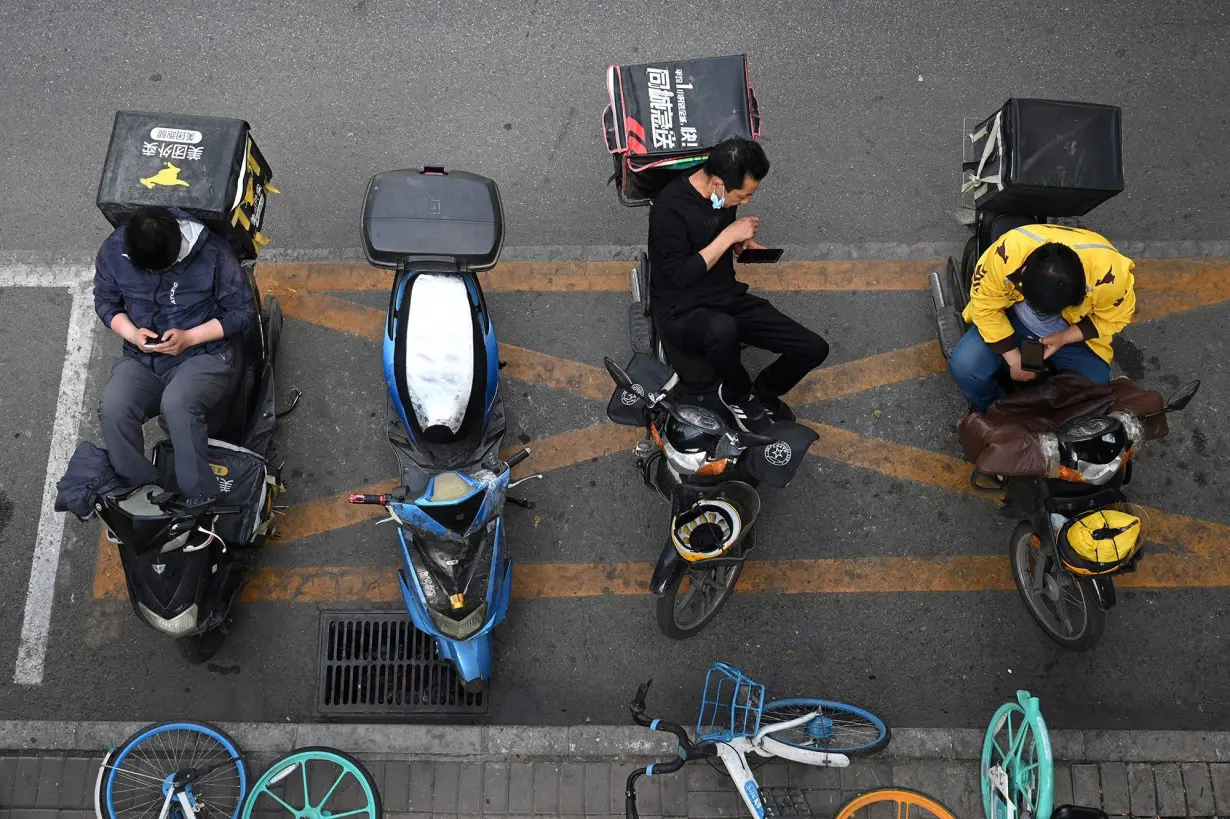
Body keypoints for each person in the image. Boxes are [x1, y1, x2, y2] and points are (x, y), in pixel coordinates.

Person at [647, 138, 829, 433]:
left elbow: (715, 236)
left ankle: (764, 393)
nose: (746, 202)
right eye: (743, 195)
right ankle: (738, 395)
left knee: (813, 348)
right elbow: (680, 275)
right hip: (681, 309)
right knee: (722, 329)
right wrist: (728, 235)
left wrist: (741, 245)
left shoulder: (720, 196)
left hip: (725, 294)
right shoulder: (669, 209)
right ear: (718, 183)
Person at [94, 206, 256, 509]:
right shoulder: (114, 250)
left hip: (203, 355)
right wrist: (132, 334)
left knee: (177, 407)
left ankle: (199, 500)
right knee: (114, 410)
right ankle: (141, 493)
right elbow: (105, 302)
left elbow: (242, 312)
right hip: (142, 358)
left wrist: (190, 337)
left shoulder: (214, 254)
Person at [949, 224, 1137, 412]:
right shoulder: (1005, 253)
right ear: (1023, 274)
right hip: (1008, 317)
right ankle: (991, 410)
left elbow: (1115, 317)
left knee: (1095, 386)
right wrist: (1014, 360)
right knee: (964, 368)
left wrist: (1065, 337)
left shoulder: (1111, 276)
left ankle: (1056, 419)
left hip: (1069, 330)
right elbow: (985, 305)